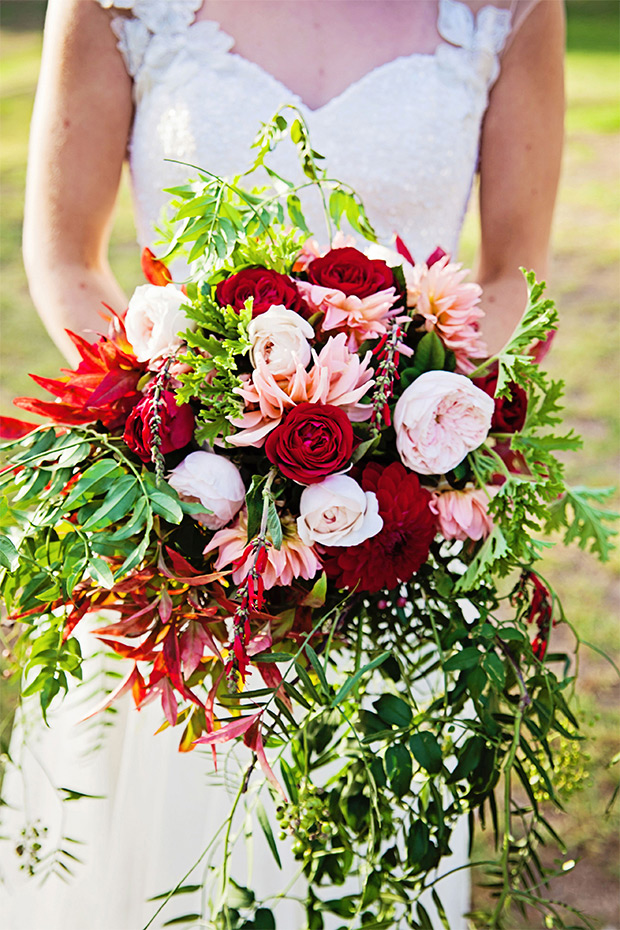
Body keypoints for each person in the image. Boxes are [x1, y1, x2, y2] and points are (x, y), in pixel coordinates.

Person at [1, 1, 565, 928]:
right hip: (181, 534)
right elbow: (65, 254)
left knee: (367, 859)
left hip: (394, 540)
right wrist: (178, 444)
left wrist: (414, 445)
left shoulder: (508, 8)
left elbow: (514, 277)